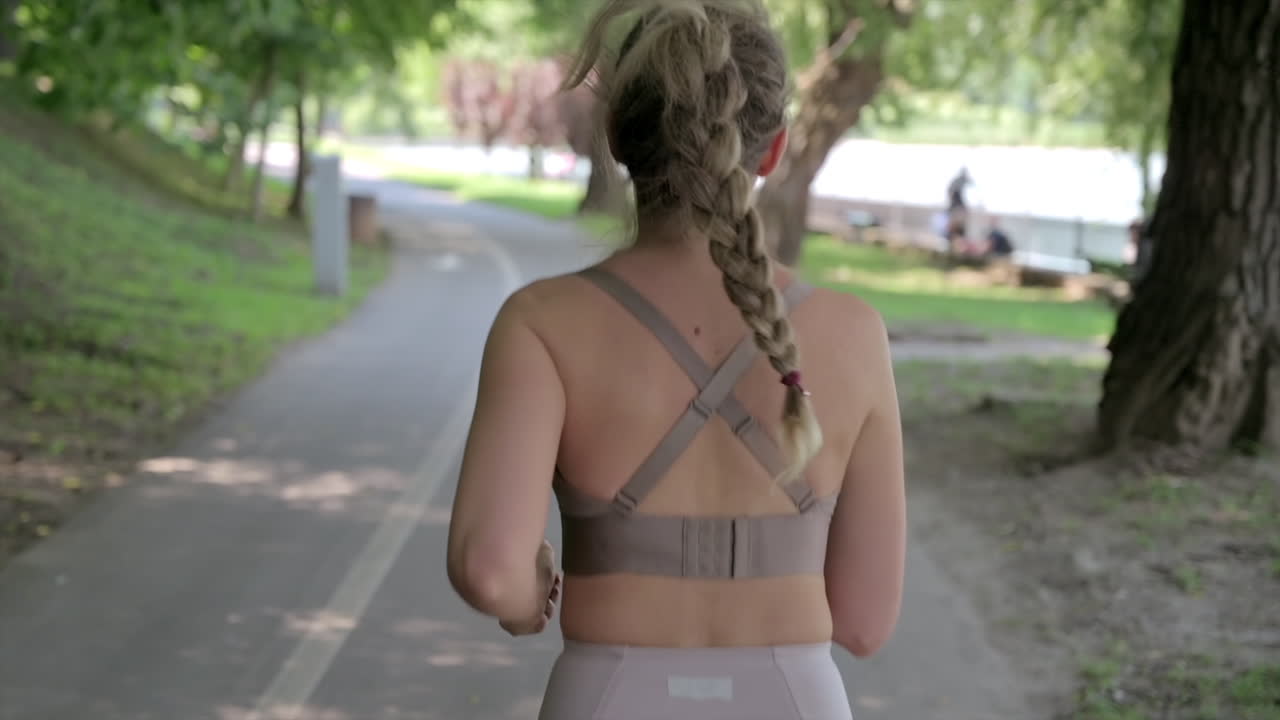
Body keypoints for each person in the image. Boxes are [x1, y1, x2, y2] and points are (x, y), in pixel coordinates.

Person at [446, 2, 906, 718]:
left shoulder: (542, 324)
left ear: (619, 142)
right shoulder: (853, 333)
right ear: (772, 150)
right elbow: (864, 622)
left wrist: (528, 593)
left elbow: (491, 569)